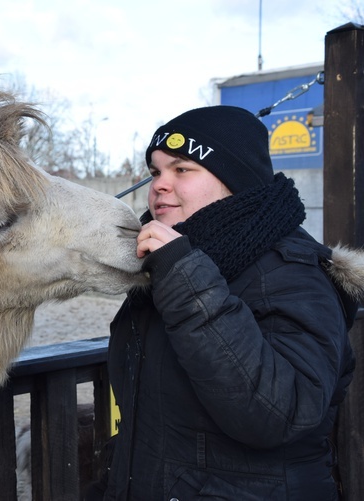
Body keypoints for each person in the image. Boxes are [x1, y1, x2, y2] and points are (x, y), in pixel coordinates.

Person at [86, 105, 360, 500]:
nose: (160, 185)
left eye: (182, 169)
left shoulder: (294, 272)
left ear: (236, 181)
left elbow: (279, 414)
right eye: (155, 171)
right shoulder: (168, 264)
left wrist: (184, 277)